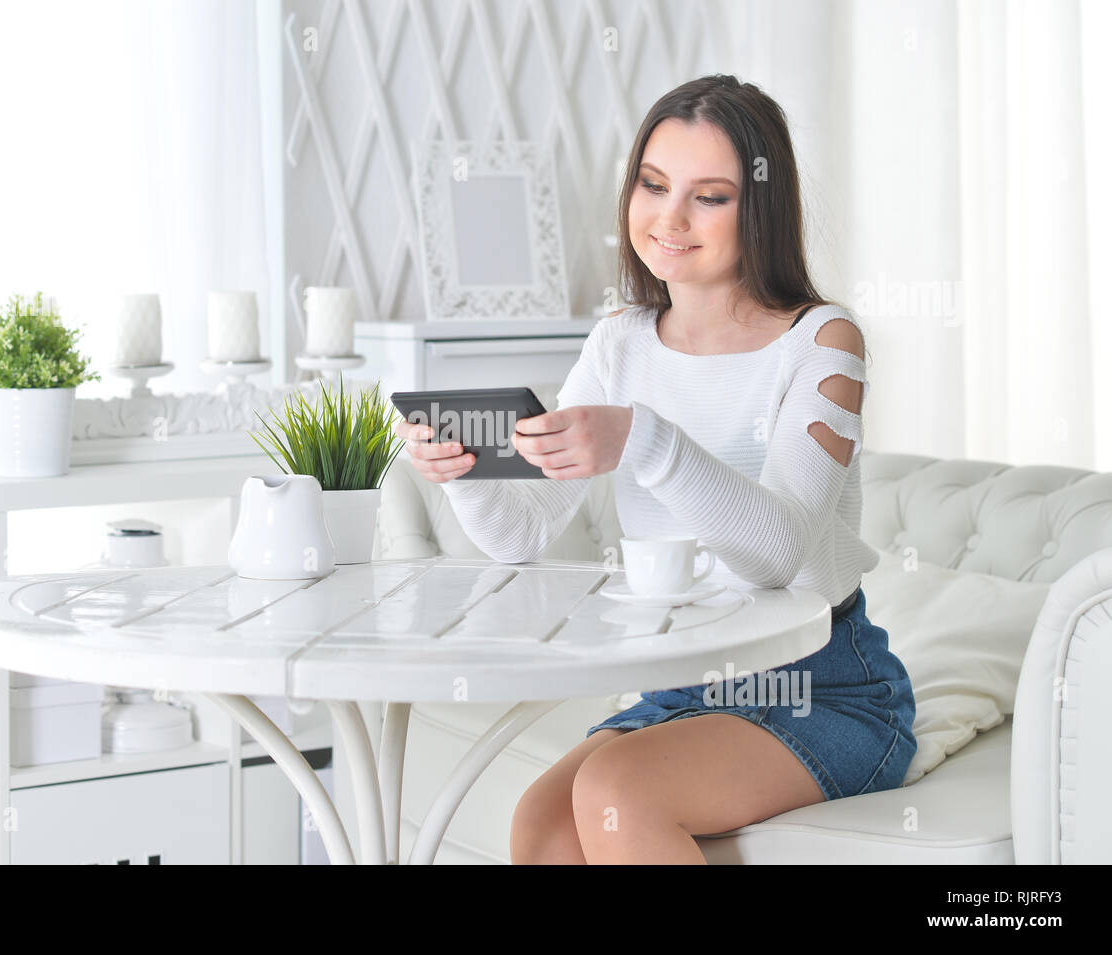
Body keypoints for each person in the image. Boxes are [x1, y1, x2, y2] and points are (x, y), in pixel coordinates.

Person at [392, 74, 916, 865]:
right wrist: (466, 471)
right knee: (542, 823)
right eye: (653, 183)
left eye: (710, 196)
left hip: (824, 685)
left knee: (618, 791)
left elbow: (778, 555)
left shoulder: (824, 343)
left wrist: (645, 439)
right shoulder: (622, 343)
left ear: (761, 208)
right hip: (684, 681)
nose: (669, 217)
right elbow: (521, 538)